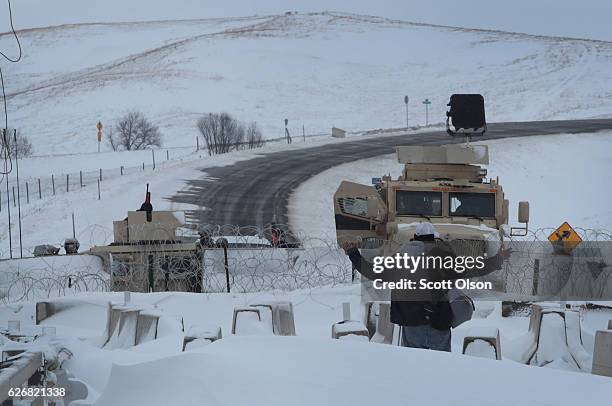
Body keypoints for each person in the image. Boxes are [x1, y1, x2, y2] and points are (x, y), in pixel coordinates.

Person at [342, 222, 510, 352]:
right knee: (441, 367)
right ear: (433, 237)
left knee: (414, 366)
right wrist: (497, 259)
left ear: (415, 237)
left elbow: (372, 272)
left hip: (411, 321)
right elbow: (474, 268)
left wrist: (353, 254)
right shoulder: (444, 257)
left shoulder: (401, 259)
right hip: (440, 320)